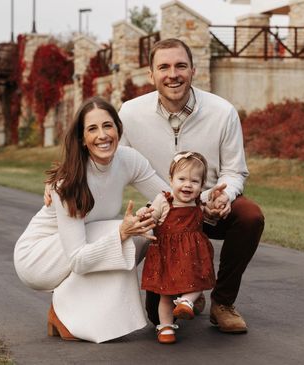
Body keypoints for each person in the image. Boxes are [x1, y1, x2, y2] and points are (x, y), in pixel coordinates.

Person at [118, 38, 265, 333]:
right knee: (155, 316)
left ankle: (222, 303)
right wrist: (62, 180)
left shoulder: (222, 112)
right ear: (151, 75)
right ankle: (186, 290)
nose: (173, 74)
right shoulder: (130, 114)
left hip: (208, 207)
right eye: (164, 67)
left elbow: (235, 170)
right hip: (165, 215)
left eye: (180, 66)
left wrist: (223, 196)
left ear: (193, 70)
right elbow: (109, 160)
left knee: (250, 216)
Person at [14, 96, 169, 343]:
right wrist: (121, 233)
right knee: (127, 235)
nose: (102, 135)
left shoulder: (129, 159)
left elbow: (167, 197)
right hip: (37, 258)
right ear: (82, 138)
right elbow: (77, 259)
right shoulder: (69, 182)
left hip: (81, 246)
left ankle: (83, 313)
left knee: (141, 232)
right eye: (92, 129)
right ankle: (64, 313)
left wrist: (152, 211)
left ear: (118, 128)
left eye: (108, 125)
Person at [137, 151, 216, 344]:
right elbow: (152, 217)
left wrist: (216, 208)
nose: (187, 185)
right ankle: (165, 327)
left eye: (194, 181)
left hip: (192, 257)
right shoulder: (164, 200)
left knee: (198, 282)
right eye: (181, 179)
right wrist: (143, 214)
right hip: (168, 257)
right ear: (171, 180)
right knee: (166, 295)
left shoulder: (199, 203)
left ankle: (186, 301)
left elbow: (210, 216)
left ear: (201, 185)